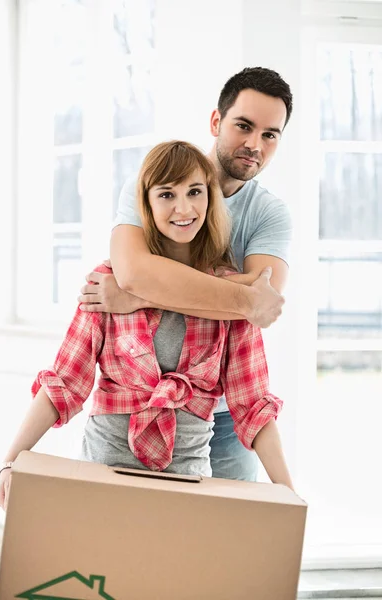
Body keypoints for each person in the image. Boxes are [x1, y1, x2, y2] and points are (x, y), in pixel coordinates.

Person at [0, 141, 293, 511]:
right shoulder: (108, 284)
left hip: (188, 488)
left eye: (195, 192)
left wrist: (288, 493)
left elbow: (253, 406)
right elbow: (65, 384)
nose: (183, 208)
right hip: (103, 477)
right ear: (146, 206)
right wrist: (10, 462)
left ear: (209, 199)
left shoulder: (229, 300)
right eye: (167, 194)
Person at [78, 67, 294, 482]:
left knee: (230, 537)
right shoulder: (153, 179)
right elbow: (132, 269)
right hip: (133, 411)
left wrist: (139, 295)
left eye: (270, 134)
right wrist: (143, 280)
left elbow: (262, 303)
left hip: (230, 413)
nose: (254, 144)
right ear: (216, 122)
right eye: (244, 126)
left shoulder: (270, 213)